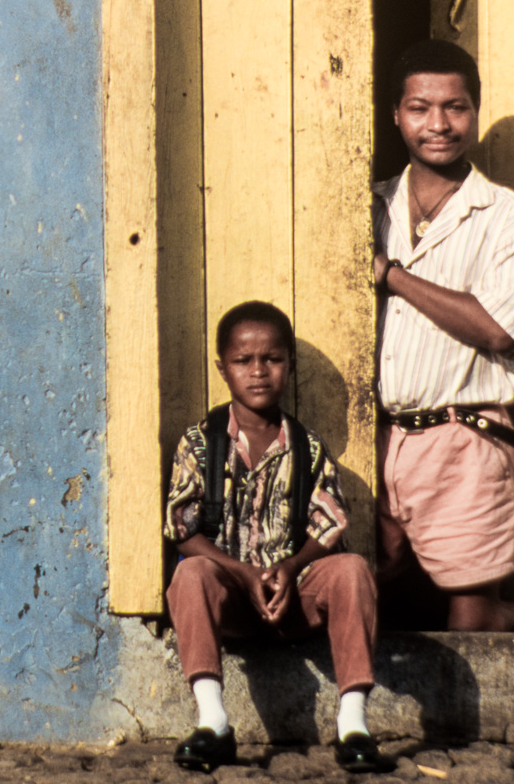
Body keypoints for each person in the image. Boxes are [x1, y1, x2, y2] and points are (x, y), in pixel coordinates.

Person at [163, 301, 386, 774]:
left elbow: (330, 525)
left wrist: (290, 566)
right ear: (223, 369)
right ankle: (213, 721)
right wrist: (241, 572)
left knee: (351, 569)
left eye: (273, 359)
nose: (259, 372)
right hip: (232, 600)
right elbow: (182, 528)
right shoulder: (200, 443)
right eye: (244, 361)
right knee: (191, 573)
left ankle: (353, 724)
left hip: (294, 598)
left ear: (289, 364)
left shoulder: (307, 447)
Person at [371, 39, 514, 632]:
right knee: (377, 587)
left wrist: (392, 276)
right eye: (420, 108)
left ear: (474, 111)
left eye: (457, 107)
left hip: (467, 437)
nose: (439, 124)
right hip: (383, 437)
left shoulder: (505, 216)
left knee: (467, 616)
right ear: (396, 114)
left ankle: (494, 615)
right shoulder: (373, 206)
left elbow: (498, 331)